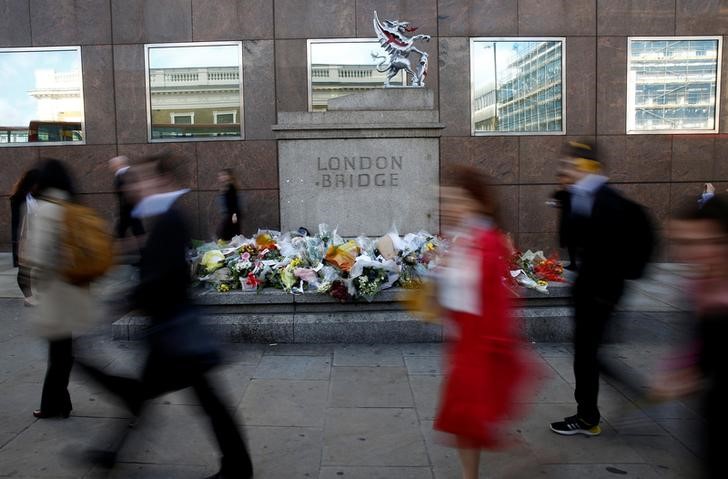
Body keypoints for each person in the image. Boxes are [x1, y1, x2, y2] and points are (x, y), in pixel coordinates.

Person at [76, 154, 253, 479]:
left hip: (175, 331)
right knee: (168, 396)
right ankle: (112, 453)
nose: (137, 187)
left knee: (190, 398)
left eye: (145, 180)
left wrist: (122, 301)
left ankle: (238, 467)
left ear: (165, 182)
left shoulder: (171, 219)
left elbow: (165, 276)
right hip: (171, 330)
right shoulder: (165, 219)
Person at [434, 166, 534, 479]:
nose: (448, 207)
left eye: (455, 200)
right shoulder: (462, 240)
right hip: (464, 345)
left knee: (471, 420)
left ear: (477, 203)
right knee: (465, 422)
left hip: (482, 349)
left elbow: (500, 301)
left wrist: (495, 350)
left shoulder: (488, 242)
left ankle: (530, 459)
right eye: (444, 200)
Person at [549, 140, 640, 436]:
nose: (567, 169)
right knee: (587, 353)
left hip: (601, 292)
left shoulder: (608, 199)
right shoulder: (580, 195)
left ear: (589, 166)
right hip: (590, 290)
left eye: (573, 164)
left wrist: (603, 292)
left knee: (589, 354)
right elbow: (568, 241)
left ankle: (589, 416)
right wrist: (565, 198)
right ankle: (590, 413)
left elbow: (614, 249)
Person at [653, 195, 728, 478]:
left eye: (699, 243)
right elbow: (698, 346)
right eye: (682, 243)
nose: (688, 254)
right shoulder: (697, 287)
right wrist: (679, 372)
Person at [26, 159, 95, 418]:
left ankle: (53, 406)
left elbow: (40, 256)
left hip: (56, 292)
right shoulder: (73, 206)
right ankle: (59, 402)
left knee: (59, 353)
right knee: (64, 352)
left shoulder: (46, 209)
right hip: (76, 289)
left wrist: (37, 291)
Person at [10, 168, 40, 306]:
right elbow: (15, 221)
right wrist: (15, 240)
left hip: (41, 234)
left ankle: (39, 293)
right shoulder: (18, 198)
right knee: (25, 269)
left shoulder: (41, 196)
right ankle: (28, 297)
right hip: (25, 236)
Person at [109, 155, 144, 239]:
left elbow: (127, 192)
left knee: (134, 231)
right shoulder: (125, 173)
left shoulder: (125, 174)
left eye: (111, 164)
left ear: (118, 164)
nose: (110, 166)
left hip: (128, 209)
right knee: (136, 230)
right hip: (129, 210)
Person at [548, 172, 576, 270]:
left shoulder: (572, 189)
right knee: (570, 242)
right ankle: (573, 264)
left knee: (573, 242)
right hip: (567, 218)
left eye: (561, 178)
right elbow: (553, 202)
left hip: (573, 219)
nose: (560, 181)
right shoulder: (562, 191)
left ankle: (575, 264)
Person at [216, 168, 241, 241]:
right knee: (231, 236)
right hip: (229, 215)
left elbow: (234, 203)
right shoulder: (227, 187)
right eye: (220, 176)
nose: (221, 177)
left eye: (224, 175)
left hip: (232, 216)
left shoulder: (231, 187)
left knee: (228, 235)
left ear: (229, 176)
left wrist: (234, 215)